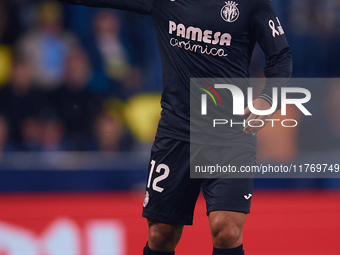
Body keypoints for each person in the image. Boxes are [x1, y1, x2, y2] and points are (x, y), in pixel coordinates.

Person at [59, 0, 292, 254]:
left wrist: (268, 99)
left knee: (227, 230)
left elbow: (281, 57)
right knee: (161, 234)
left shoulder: (251, 3)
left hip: (231, 134)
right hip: (176, 132)